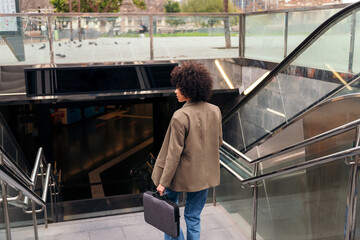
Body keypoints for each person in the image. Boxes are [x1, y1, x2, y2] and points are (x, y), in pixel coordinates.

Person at [151, 62, 223, 240]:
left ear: (189, 90)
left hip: (177, 176)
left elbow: (173, 154)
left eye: (179, 87)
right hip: (203, 177)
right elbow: (218, 142)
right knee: (193, 217)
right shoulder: (215, 111)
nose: (176, 91)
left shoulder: (180, 116)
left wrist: (163, 182)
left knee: (169, 217)